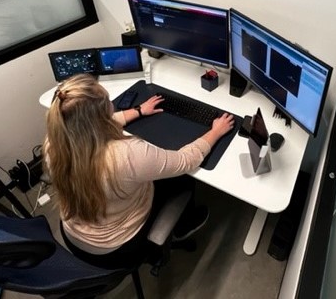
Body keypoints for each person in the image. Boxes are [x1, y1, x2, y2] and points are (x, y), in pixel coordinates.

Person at [44, 73, 235, 269]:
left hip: (73, 235)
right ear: (100, 117)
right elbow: (186, 161)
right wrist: (215, 131)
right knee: (184, 179)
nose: (112, 106)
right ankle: (184, 225)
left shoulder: (55, 141)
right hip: (117, 248)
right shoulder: (127, 155)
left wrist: (138, 111)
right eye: (107, 103)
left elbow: (93, 127)